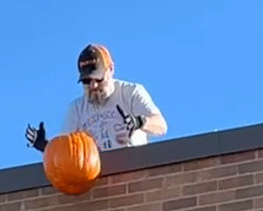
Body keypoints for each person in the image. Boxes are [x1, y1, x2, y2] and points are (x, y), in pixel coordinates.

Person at [26, 43, 167, 154]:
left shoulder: (130, 93)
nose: (93, 86)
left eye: (98, 79)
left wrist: (139, 122)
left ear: (110, 69)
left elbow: (161, 126)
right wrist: (44, 145)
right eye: (86, 81)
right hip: (95, 178)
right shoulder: (76, 109)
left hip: (132, 175)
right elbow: (65, 152)